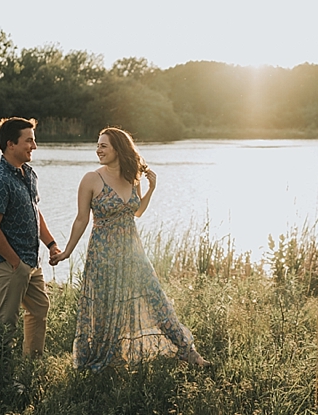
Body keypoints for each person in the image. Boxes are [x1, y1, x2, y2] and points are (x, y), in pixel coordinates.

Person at [50, 126, 210, 371]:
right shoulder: (92, 178)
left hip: (133, 253)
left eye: (104, 145)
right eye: (98, 145)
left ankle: (189, 353)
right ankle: (107, 360)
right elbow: (81, 219)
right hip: (103, 254)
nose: (98, 149)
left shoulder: (131, 176)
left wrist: (150, 190)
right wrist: (67, 252)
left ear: (118, 148)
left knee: (157, 299)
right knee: (105, 308)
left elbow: (136, 212)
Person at [0, 117, 61, 356]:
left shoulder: (28, 173)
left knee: (39, 308)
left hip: (30, 261)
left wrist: (51, 244)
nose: (34, 146)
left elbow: (35, 212)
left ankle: (31, 366)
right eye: (29, 141)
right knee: (6, 322)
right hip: (9, 264)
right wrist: (16, 263)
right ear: (10, 144)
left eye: (33, 141)